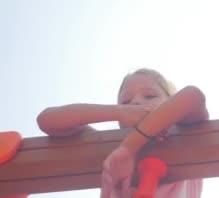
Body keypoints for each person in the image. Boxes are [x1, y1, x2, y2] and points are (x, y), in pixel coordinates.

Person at [37, 68, 208, 198]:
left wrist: (130, 147)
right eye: (126, 101)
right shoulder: (109, 150)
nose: (135, 101)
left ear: (170, 101)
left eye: (149, 96)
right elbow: (47, 120)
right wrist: (118, 112)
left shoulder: (185, 138)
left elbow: (192, 96)